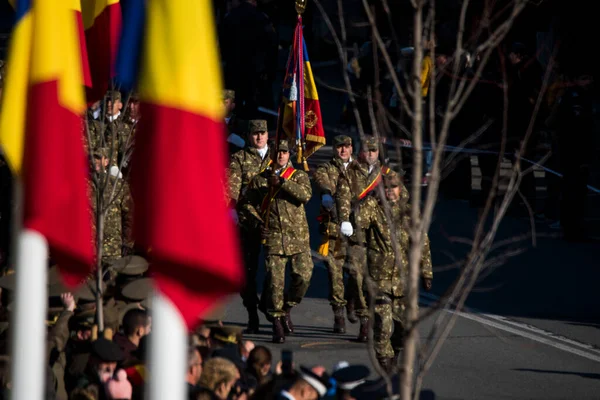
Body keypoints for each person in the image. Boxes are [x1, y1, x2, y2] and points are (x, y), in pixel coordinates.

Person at [244, 139, 313, 343]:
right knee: (275, 283)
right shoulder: (260, 179)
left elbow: (305, 195)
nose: (281, 155)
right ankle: (275, 322)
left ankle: (286, 308)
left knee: (303, 277)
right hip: (274, 238)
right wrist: (257, 223)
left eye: (284, 152)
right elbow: (247, 204)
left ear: (289, 154)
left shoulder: (298, 176)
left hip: (298, 238)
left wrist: (282, 182)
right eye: (278, 152)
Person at [227, 119, 272, 333]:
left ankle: (272, 307)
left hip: (276, 223)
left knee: (276, 271)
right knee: (247, 272)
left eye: (262, 133)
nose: (259, 137)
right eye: (255, 133)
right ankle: (252, 312)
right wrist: (231, 208)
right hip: (248, 223)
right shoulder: (239, 158)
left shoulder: (278, 158)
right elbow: (232, 185)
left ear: (268, 135)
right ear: (249, 135)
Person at [313, 135, 355, 334]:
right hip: (334, 229)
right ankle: (339, 315)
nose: (343, 150)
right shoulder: (327, 168)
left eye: (346, 147)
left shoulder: (360, 169)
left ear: (352, 148)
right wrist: (326, 193)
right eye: (339, 147)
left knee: (357, 273)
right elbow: (321, 179)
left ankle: (353, 302)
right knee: (335, 273)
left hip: (358, 230)